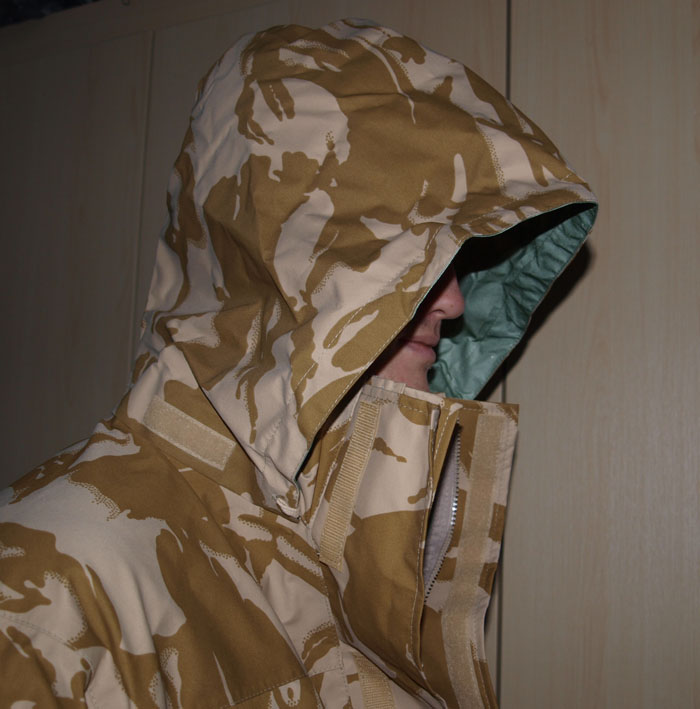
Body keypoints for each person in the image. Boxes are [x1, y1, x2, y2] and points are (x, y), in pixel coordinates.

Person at [0, 18, 597, 707]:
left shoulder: (341, 558)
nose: (457, 301)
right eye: (410, 255)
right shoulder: (50, 597)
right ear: (282, 265)